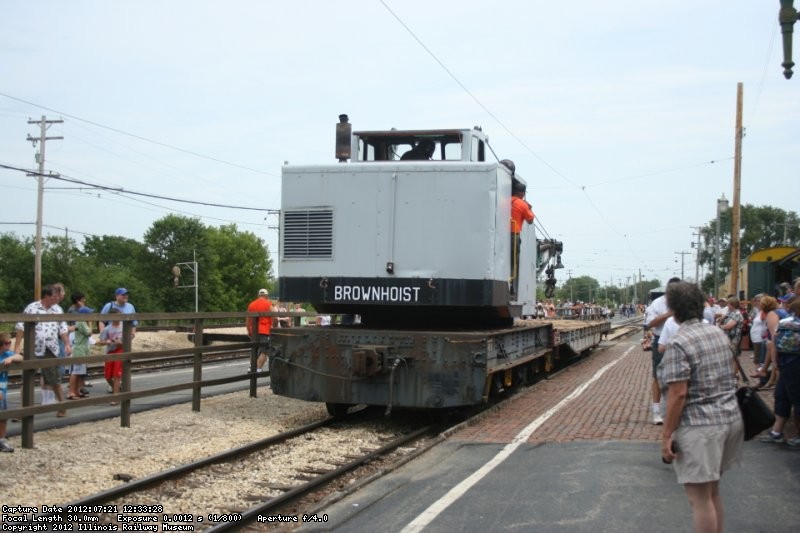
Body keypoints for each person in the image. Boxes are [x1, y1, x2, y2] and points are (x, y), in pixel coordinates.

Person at [658, 281, 743, 533]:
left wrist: (666, 434)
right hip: (729, 418)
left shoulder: (679, 342)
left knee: (699, 500)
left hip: (700, 427)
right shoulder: (717, 332)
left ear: (673, 309)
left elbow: (678, 394)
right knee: (713, 492)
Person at [13, 284, 72, 417]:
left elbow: (62, 328)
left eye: (58, 296)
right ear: (46, 296)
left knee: (54, 379)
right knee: (27, 379)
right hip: (33, 347)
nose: (57, 299)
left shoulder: (57, 309)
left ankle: (62, 406)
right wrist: (17, 346)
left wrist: (67, 343)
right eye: (54, 296)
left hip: (51, 348)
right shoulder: (32, 307)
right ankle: (23, 410)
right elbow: (20, 326)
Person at [758, 297, 800, 447]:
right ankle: (776, 432)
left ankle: (784, 433)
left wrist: (775, 363)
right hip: (791, 363)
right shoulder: (786, 320)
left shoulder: (782, 321)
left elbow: (774, 342)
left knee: (790, 397)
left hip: (788, 363)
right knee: (783, 396)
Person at [644, 277, 681, 425]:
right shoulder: (658, 303)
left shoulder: (685, 301)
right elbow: (649, 324)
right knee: (658, 376)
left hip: (682, 341)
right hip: (661, 341)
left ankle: (678, 410)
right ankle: (656, 411)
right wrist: (668, 314)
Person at [509, 180, 534, 296]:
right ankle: (511, 287)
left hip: (500, 234)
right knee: (514, 262)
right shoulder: (522, 204)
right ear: (522, 193)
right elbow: (530, 220)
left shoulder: (505, 200)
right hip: (513, 234)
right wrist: (529, 208)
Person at [1, 333, 24, 452]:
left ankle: (1, 439)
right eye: (7, 343)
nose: (10, 344)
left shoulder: (6, 354)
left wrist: (11, 358)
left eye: (10, 342)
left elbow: (20, 357)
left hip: (3, 390)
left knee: (3, 416)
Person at [67, 305, 93, 400]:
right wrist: (90, 323)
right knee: (75, 372)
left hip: (82, 350)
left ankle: (76, 391)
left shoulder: (81, 323)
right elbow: (89, 333)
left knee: (79, 372)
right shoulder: (82, 322)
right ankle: (71, 392)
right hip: (79, 350)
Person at [98, 309, 123, 404]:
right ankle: (116, 389)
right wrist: (107, 341)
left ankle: (116, 396)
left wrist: (121, 342)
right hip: (110, 352)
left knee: (117, 375)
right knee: (108, 376)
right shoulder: (107, 329)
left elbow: (128, 339)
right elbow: (101, 341)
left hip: (120, 351)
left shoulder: (124, 327)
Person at [246, 288, 273, 372]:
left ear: (258, 295)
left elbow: (247, 319)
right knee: (264, 350)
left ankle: (251, 366)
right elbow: (274, 316)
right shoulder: (268, 304)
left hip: (253, 330)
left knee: (254, 349)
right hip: (264, 331)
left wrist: (248, 330)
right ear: (266, 296)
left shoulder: (251, 304)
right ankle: (258, 368)